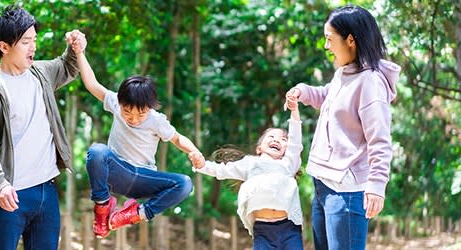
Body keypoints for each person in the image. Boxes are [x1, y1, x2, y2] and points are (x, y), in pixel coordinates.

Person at [0, 5, 85, 250]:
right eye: (25, 42)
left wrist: (75, 47)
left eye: (34, 40)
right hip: (8, 196)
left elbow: (67, 66)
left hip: (46, 192)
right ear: (4, 46)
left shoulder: (40, 73)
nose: (33, 47)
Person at [285, 5, 400, 250]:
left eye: (329, 39)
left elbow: (380, 140)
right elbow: (329, 98)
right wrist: (303, 92)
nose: (327, 46)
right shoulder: (344, 73)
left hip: (346, 192)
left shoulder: (370, 82)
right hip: (323, 185)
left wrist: (377, 186)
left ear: (350, 40)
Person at [71, 35, 201, 238]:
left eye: (141, 114)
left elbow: (177, 138)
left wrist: (194, 152)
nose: (133, 118)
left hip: (144, 178)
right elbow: (91, 83)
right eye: (127, 112)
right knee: (97, 151)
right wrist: (79, 52)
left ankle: (136, 213)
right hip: (117, 173)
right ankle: (103, 205)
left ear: (150, 108)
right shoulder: (114, 101)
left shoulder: (156, 120)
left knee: (184, 184)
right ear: (120, 103)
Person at [189, 104, 304, 250]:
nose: (276, 140)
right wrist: (201, 165)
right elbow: (222, 170)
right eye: (271, 137)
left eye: (283, 139)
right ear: (259, 148)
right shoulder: (250, 163)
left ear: (287, 149)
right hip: (262, 229)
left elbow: (296, 141)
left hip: (289, 228)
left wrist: (294, 110)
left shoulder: (289, 164)